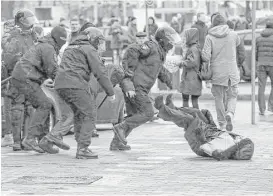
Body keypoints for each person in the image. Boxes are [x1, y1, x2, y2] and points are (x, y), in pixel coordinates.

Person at [111, 26, 180, 150]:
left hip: (138, 87)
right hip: (136, 87)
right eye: (170, 39)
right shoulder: (152, 46)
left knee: (134, 116)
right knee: (148, 113)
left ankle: (116, 143)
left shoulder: (159, 51)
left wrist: (169, 82)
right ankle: (120, 128)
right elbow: (133, 49)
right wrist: (129, 72)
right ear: (164, 39)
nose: (172, 43)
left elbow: (158, 69)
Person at [54, 27, 115, 159]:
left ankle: (80, 144)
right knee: (89, 113)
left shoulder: (70, 47)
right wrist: (110, 92)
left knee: (79, 113)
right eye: (99, 41)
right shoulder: (89, 49)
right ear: (94, 39)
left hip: (60, 84)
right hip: (75, 84)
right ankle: (83, 148)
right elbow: (100, 72)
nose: (100, 45)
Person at [9, 26, 68, 154]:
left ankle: (43, 139)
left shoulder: (47, 44)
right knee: (45, 104)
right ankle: (30, 138)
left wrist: (42, 79)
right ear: (58, 40)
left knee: (45, 104)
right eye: (63, 41)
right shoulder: (48, 47)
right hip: (25, 77)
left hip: (24, 76)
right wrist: (66, 82)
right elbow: (52, 70)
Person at [153, 94, 254, 161]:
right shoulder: (235, 140)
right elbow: (218, 133)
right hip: (208, 131)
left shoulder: (223, 152)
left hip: (200, 141)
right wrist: (210, 122)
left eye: (241, 142)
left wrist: (201, 139)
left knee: (189, 119)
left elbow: (208, 148)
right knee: (198, 112)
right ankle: (173, 109)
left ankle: (163, 110)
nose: (239, 139)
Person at [1, 9, 38, 150]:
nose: (32, 20)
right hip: (17, 77)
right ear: (22, 20)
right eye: (30, 18)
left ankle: (27, 140)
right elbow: (8, 57)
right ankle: (17, 141)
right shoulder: (12, 35)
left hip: (32, 78)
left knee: (30, 108)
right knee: (17, 108)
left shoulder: (34, 35)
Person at [202, 14, 245, 131]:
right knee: (232, 96)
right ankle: (230, 114)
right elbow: (237, 45)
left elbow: (205, 56)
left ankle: (222, 123)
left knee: (218, 98)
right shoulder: (234, 34)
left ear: (213, 23)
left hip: (217, 72)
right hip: (232, 71)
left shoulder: (209, 37)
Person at [179, 28, 202, 109]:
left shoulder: (192, 49)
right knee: (194, 100)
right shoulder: (196, 47)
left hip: (190, 78)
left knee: (185, 99)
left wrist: (182, 63)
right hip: (195, 79)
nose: (185, 38)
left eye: (186, 36)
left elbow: (192, 62)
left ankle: (187, 117)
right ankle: (197, 117)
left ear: (191, 37)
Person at [256, 18, 273, 115]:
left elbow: (256, 53)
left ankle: (262, 109)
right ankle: (271, 107)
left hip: (261, 64)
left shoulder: (259, 38)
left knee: (261, 87)